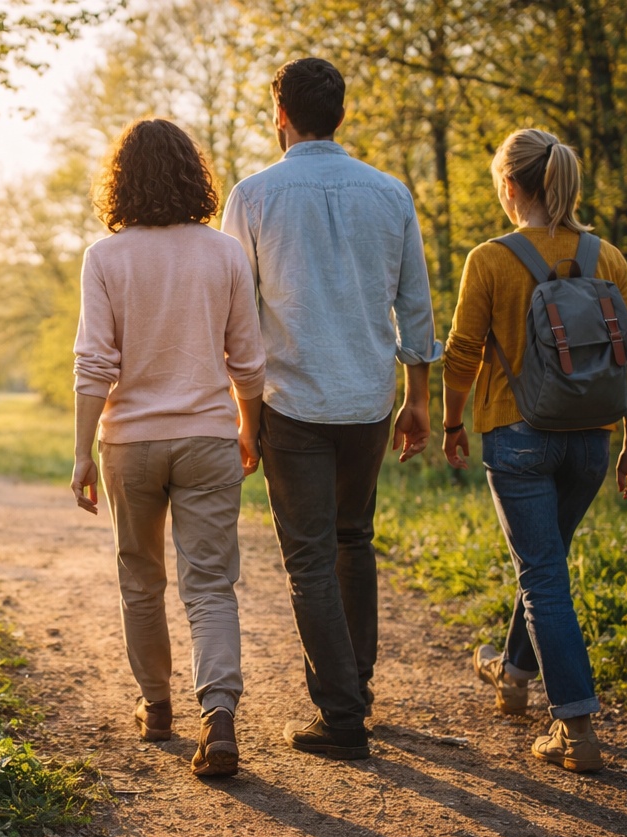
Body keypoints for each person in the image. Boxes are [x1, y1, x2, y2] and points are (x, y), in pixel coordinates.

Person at [221, 57, 441, 760]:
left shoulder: (253, 196)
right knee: (353, 540)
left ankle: (342, 717)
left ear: (279, 115)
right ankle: (357, 690)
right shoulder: (390, 193)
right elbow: (416, 306)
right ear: (340, 115)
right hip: (368, 399)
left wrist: (244, 419)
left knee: (311, 559)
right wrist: (418, 401)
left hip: (292, 400)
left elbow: (236, 316)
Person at [442, 128, 627, 773]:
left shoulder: (491, 258)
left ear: (510, 186)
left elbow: (461, 354)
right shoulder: (606, 257)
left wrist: (451, 424)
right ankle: (511, 671)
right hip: (591, 440)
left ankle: (576, 725)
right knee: (545, 564)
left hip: (518, 435)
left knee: (541, 576)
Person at [71, 118, 265, 778]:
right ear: (194, 175)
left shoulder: (106, 257)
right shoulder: (223, 253)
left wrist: (81, 453)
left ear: (120, 183)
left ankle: (156, 707)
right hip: (209, 435)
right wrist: (250, 427)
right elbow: (250, 360)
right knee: (210, 585)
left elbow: (94, 363)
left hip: (131, 442)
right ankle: (219, 718)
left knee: (141, 580)